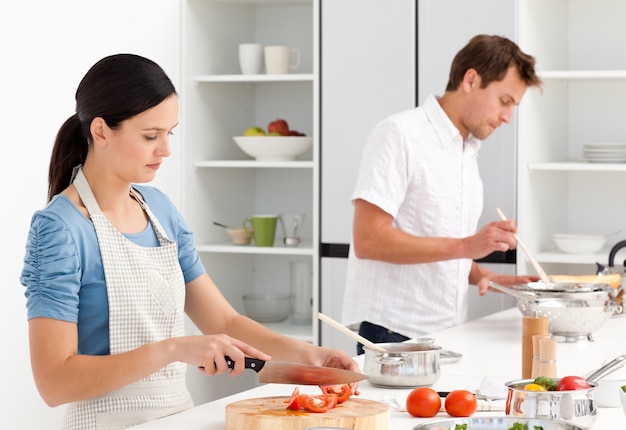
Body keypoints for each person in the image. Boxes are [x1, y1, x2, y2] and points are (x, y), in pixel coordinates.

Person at [20, 53, 359, 429]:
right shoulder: (59, 229)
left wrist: (310, 356)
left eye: (170, 133)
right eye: (150, 136)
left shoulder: (161, 211)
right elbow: (54, 382)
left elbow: (224, 320)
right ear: (100, 131)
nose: (165, 150)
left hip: (178, 419)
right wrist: (175, 349)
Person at [341, 35, 544, 355]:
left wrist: (482, 274)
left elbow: (432, 241)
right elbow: (368, 239)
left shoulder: (466, 151)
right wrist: (467, 246)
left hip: (444, 331)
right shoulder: (400, 134)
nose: (508, 117)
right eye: (505, 101)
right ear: (471, 79)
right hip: (393, 333)